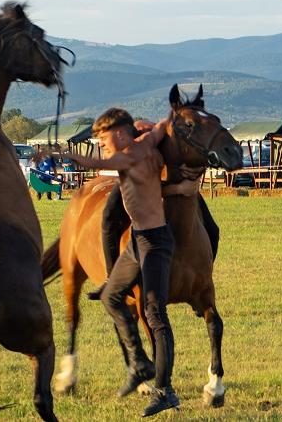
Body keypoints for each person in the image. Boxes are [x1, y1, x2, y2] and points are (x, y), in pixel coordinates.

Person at [61, 108, 181, 417]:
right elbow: (164, 126)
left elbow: (95, 163)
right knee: (111, 295)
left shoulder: (127, 156)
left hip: (154, 242)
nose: (100, 143)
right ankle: (139, 361)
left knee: (154, 314)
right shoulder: (148, 142)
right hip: (139, 241)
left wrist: (60, 153)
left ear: (119, 133)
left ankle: (165, 391)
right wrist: (170, 115)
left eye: (101, 138)